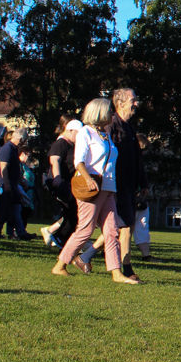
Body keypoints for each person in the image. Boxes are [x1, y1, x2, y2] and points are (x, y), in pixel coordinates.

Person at [49, 98, 135, 284]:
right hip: (92, 188)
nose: (112, 115)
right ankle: (60, 264)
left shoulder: (106, 134)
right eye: (109, 111)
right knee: (85, 230)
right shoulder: (85, 133)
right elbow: (78, 161)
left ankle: (116, 273)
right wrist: (88, 180)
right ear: (99, 113)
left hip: (109, 188)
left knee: (112, 231)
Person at [105, 88, 145, 281]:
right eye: (133, 100)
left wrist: (142, 182)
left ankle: (81, 257)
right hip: (115, 184)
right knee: (120, 227)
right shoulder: (112, 126)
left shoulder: (129, 127)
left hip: (128, 185)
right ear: (120, 103)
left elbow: (137, 158)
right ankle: (124, 269)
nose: (136, 104)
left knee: (124, 225)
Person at [41, 115, 81, 248]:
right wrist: (58, 179)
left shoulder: (71, 144)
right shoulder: (61, 143)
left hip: (69, 183)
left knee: (73, 213)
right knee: (72, 212)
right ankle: (60, 238)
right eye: (78, 133)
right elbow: (55, 160)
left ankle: (60, 238)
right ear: (70, 130)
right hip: (60, 184)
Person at [0, 127, 31, 240]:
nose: (24, 142)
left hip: (12, 184)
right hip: (5, 185)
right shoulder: (7, 149)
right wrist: (7, 185)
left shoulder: (13, 149)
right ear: (21, 138)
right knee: (5, 210)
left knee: (15, 209)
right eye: (25, 139)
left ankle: (20, 232)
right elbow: (3, 167)